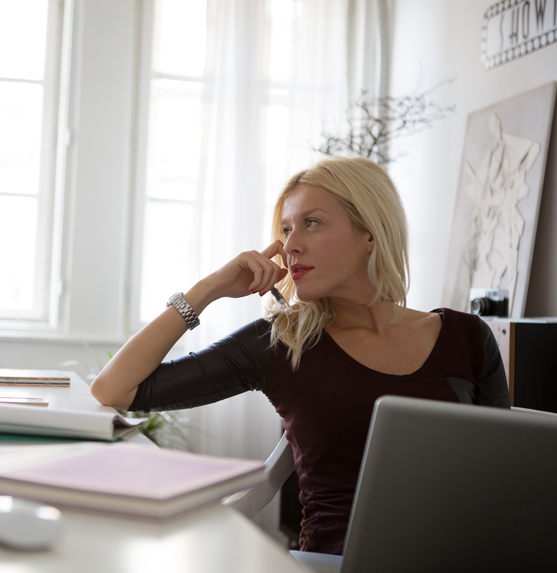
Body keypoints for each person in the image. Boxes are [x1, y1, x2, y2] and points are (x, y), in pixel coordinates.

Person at [90, 156, 510, 555]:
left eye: (311, 224)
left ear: (370, 233)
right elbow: (116, 389)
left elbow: (505, 476)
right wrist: (210, 288)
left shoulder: (468, 337)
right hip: (335, 564)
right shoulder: (283, 343)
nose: (291, 246)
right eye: (287, 229)